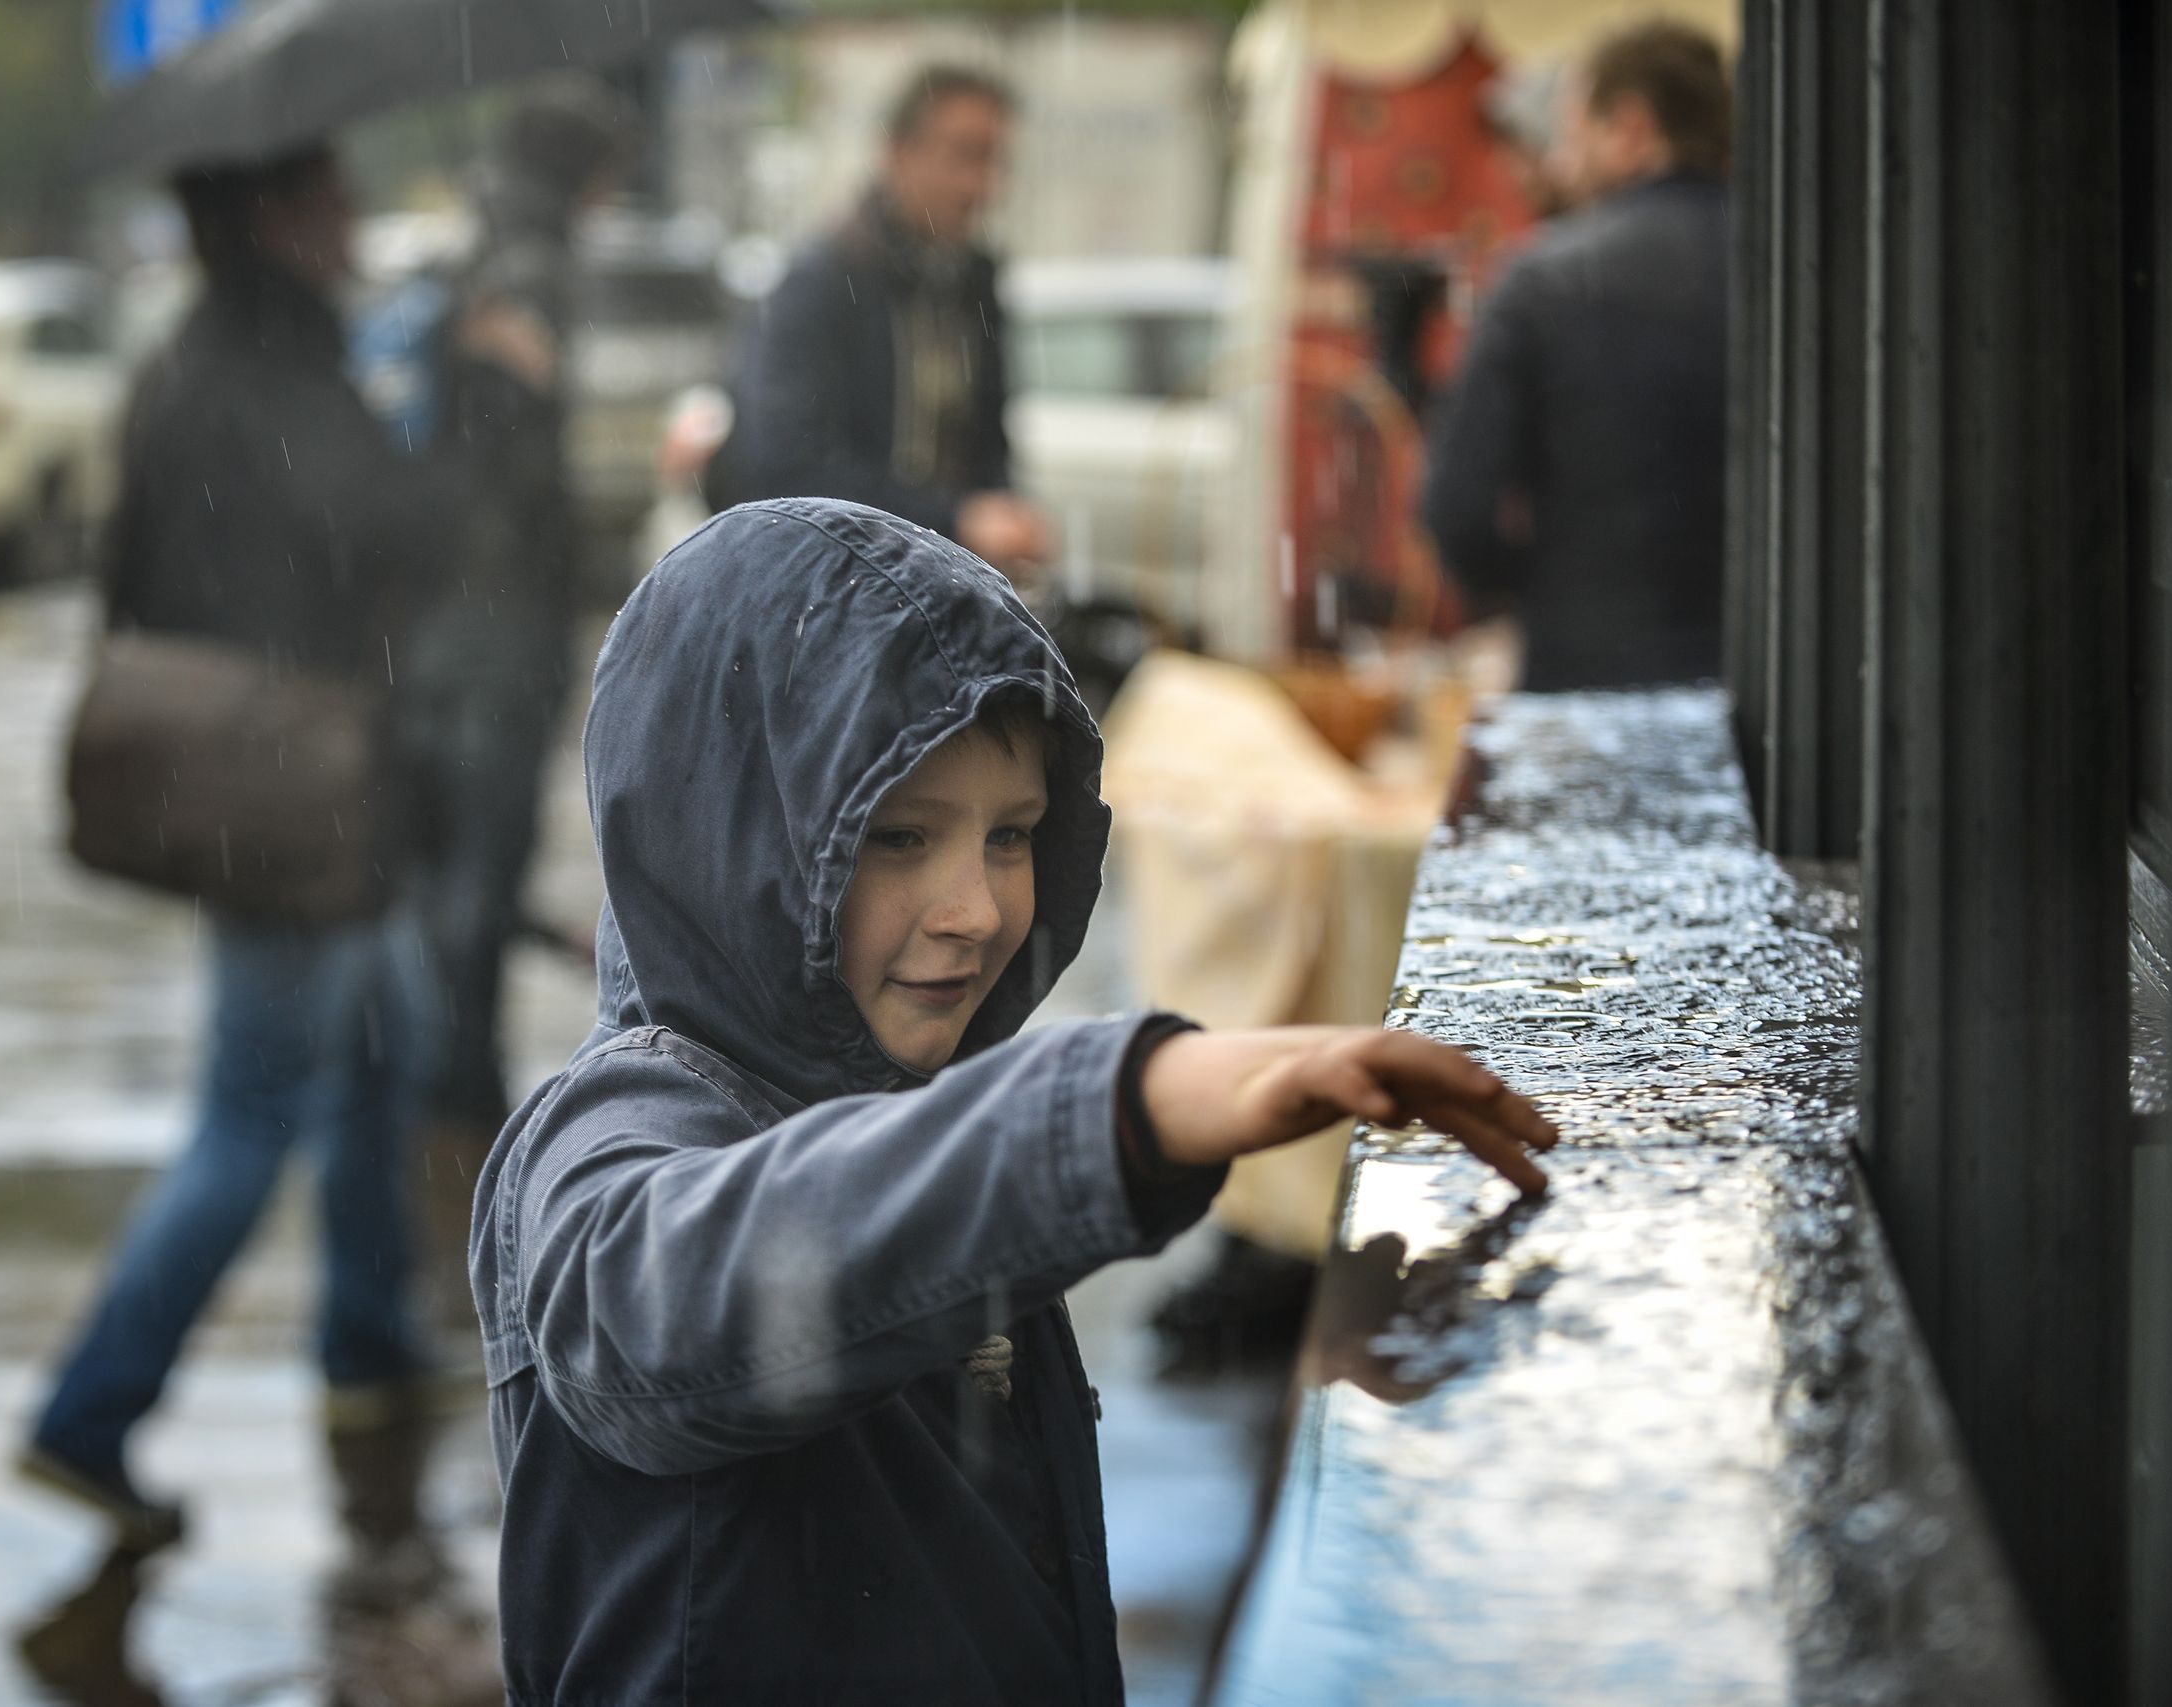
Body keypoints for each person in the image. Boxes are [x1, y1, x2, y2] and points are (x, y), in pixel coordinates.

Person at [469, 496, 1557, 1701]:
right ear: (727, 839)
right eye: (897, 840)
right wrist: (1112, 1105)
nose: (977, 910)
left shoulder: (912, 1103)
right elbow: (672, 1304)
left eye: (1012, 836)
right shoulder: (611, 1139)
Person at [20, 143, 465, 1609]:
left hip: (253, 782)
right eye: (332, 194)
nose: (352, 217)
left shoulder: (184, 365)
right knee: (252, 1110)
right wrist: (470, 400)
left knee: (377, 1050)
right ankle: (89, 1415)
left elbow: (132, 572)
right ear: (273, 218)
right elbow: (402, 533)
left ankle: (367, 1345)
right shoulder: (279, 369)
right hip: (293, 795)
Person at [396, 82, 630, 1324]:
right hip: (491, 631)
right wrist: (567, 572)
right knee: (473, 890)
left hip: (443, 626)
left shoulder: (470, 251)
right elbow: (510, 460)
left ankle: (445, 1099)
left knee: (454, 886)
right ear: (585, 176)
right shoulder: (529, 268)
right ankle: (459, 1117)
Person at [1420, 21, 1732, 691]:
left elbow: (1456, 507)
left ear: (1629, 128)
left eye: (1572, 134)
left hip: (1589, 675)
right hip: (1765, 692)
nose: (1561, 163)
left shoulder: (1544, 279)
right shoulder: (1800, 270)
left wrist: (1538, 587)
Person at [724, 66, 1054, 579]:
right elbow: (784, 466)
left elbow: (989, 437)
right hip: (835, 585)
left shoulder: (975, 278)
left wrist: (1002, 513)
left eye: (995, 160)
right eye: (964, 155)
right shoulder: (825, 278)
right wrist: (955, 519)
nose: (983, 185)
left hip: (938, 583)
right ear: (899, 152)